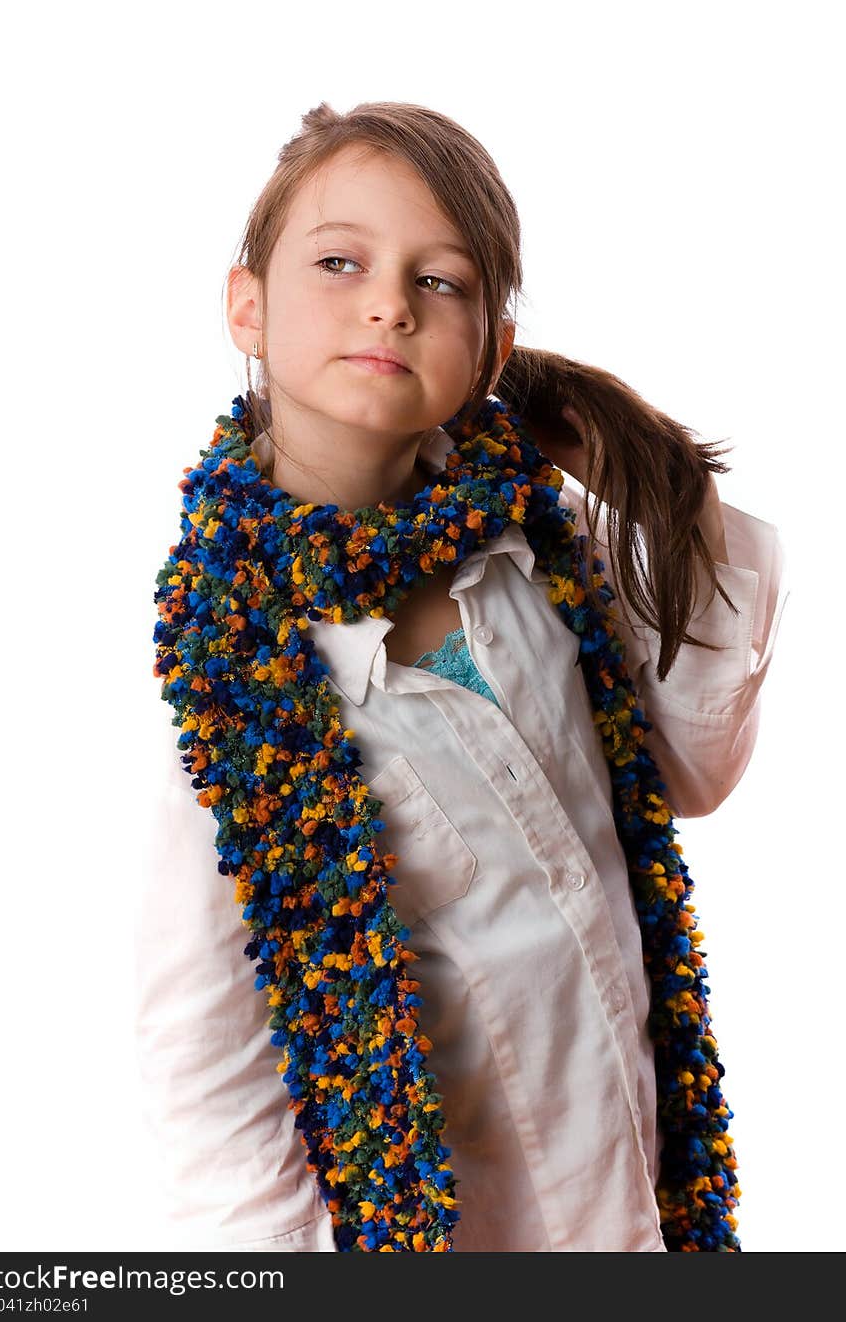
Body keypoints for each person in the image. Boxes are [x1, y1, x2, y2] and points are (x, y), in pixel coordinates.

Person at [135, 101, 789, 1253]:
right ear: (247, 304)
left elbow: (691, 768)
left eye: (439, 281)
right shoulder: (216, 680)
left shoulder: (539, 547)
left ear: (489, 347)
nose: (388, 302)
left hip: (645, 1202)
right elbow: (213, 1085)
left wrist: (668, 496)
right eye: (339, 262)